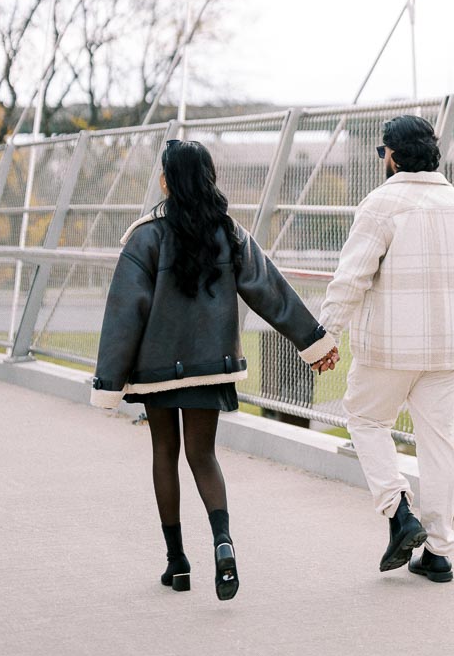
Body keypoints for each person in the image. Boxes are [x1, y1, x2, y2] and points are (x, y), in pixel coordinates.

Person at [90, 138, 338, 600]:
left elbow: (125, 313)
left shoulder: (144, 238)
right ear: (209, 178)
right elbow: (270, 292)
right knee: (202, 456)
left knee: (164, 451)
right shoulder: (228, 232)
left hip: (158, 371)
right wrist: (313, 340)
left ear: (166, 180)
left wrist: (109, 381)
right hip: (211, 366)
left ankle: (177, 563)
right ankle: (223, 544)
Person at [318, 115, 454, 584]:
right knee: (438, 443)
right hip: (448, 348)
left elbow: (350, 278)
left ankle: (398, 512)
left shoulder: (381, 203)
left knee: (367, 420)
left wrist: (324, 336)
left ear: (392, 155)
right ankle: (437, 551)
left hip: (388, 348)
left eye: (381, 153)